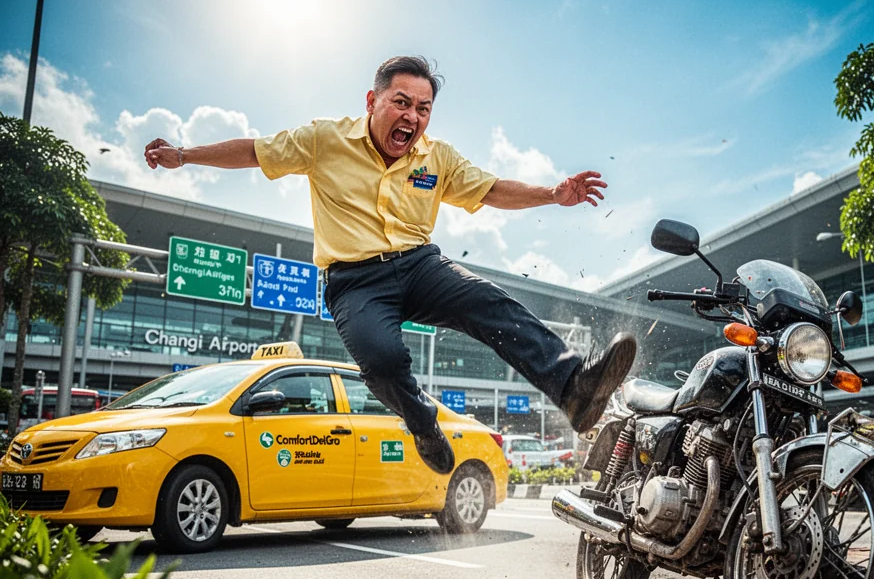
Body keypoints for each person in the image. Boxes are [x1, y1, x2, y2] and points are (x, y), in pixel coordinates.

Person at [144, 56, 636, 475]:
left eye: (423, 109)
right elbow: (255, 151)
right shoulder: (324, 139)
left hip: (419, 265)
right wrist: (183, 155)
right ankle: (423, 425)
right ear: (372, 101)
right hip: (354, 281)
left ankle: (573, 388)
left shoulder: (436, 158)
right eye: (401, 102)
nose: (412, 117)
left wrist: (552, 194)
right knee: (381, 360)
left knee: (488, 302)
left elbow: (489, 189)